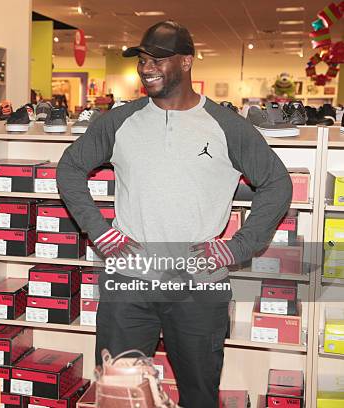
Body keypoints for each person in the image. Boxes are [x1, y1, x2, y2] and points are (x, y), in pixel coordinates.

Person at [56, 21, 292, 407]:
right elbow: (69, 169)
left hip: (198, 286)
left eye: (158, 60)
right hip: (129, 281)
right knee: (119, 394)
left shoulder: (227, 126)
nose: (147, 67)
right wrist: (97, 231)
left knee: (198, 394)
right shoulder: (119, 120)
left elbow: (277, 184)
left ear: (186, 62)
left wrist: (238, 246)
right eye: (143, 60)